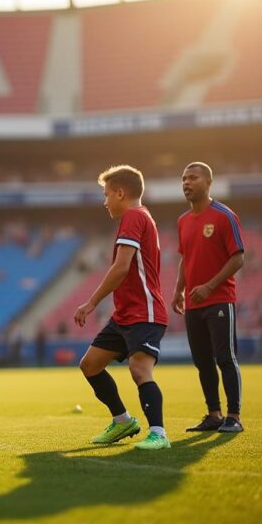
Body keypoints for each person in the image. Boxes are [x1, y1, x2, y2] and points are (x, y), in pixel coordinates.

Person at [74, 165, 170, 450]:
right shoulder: (139, 217)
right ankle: (122, 421)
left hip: (145, 310)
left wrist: (91, 303)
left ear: (120, 192)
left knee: (139, 369)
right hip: (126, 313)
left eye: (106, 195)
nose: (105, 201)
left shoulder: (133, 216)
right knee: (90, 365)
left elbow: (120, 268)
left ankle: (159, 434)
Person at [174, 162, 245, 433]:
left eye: (192, 178)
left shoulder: (224, 216)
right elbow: (185, 258)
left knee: (225, 358)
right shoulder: (183, 221)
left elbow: (238, 258)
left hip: (219, 300)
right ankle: (214, 414)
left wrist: (209, 286)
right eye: (183, 179)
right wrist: (178, 289)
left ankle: (234, 416)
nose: (186, 183)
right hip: (194, 303)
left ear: (208, 182)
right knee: (202, 361)